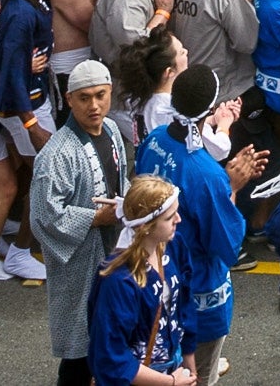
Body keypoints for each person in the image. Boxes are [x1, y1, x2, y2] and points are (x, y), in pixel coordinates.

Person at [134, 64, 266, 386]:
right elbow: (227, 245)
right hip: (198, 295)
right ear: (209, 109)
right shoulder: (206, 174)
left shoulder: (153, 140)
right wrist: (232, 187)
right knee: (197, 377)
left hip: (155, 276)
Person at [32, 60, 132, 386]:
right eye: (84, 97)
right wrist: (95, 218)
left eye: (100, 95)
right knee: (80, 347)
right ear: (69, 98)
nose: (94, 105)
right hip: (79, 261)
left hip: (114, 247)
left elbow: (121, 181)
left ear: (110, 93)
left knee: (111, 335)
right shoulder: (56, 154)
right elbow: (45, 216)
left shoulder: (113, 130)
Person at [87, 172, 189, 386]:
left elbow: (183, 310)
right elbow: (110, 357)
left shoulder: (172, 245)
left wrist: (188, 365)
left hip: (173, 368)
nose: (178, 220)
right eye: (170, 217)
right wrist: (170, 382)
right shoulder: (119, 282)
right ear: (144, 227)